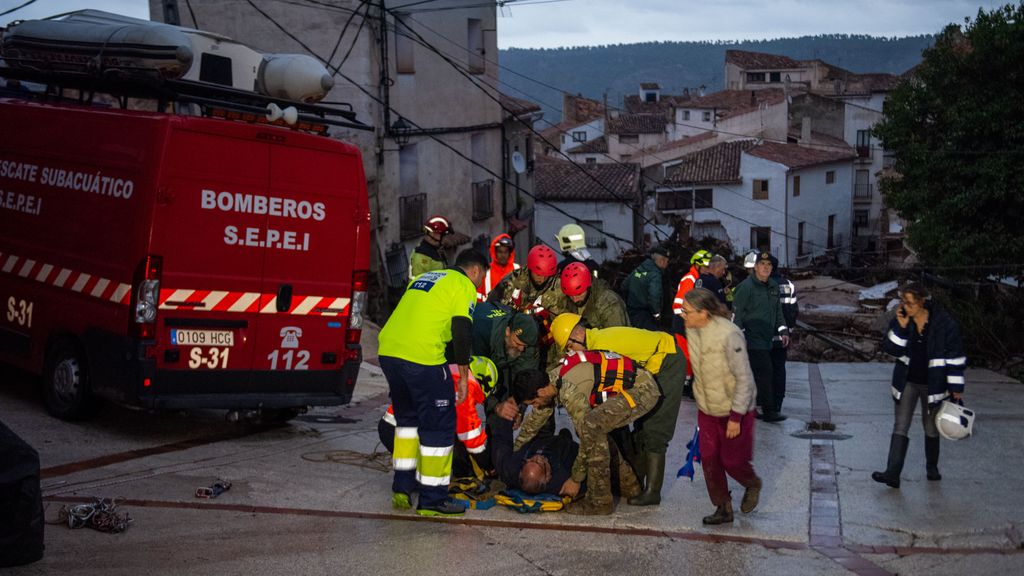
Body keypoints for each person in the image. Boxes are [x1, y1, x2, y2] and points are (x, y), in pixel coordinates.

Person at [377, 249, 487, 517]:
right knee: (439, 425)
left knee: (407, 423)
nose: (481, 282)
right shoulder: (463, 285)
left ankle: (402, 490)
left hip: (389, 352)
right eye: (482, 276)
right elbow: (462, 329)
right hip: (422, 357)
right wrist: (462, 375)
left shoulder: (426, 278)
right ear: (474, 271)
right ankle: (433, 499)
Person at [548, 313, 687, 506]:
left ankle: (653, 492)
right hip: (651, 368)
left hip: (668, 361)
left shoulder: (604, 344)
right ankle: (637, 481)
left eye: (571, 347)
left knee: (656, 428)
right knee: (641, 424)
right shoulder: (597, 342)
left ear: (578, 334)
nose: (571, 352)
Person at [515, 361, 660, 515]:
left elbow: (587, 439)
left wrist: (576, 479)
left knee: (591, 429)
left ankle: (599, 502)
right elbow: (535, 420)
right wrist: (515, 451)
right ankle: (630, 487)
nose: (535, 406)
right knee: (594, 428)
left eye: (533, 402)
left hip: (643, 391)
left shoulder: (571, 391)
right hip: (636, 386)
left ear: (542, 392)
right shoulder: (550, 381)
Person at [681, 288, 762, 525]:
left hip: (735, 410)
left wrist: (736, 417)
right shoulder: (692, 328)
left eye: (686, 311)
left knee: (732, 460)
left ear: (703, 312)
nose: (682, 315)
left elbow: (745, 379)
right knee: (709, 460)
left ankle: (752, 483)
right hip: (707, 407)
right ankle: (723, 507)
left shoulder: (730, 335)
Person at [873, 282, 966, 488]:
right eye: (903, 301)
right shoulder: (902, 321)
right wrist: (902, 327)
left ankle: (931, 468)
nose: (905, 306)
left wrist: (956, 389)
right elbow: (891, 349)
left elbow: (955, 359)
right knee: (900, 425)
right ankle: (892, 473)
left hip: (933, 386)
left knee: (930, 427)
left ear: (922, 302)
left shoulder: (944, 324)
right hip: (907, 382)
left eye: (909, 302)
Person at [378, 358, 493, 477]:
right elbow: (472, 437)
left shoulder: (446, 374)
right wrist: (488, 464)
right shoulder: (464, 388)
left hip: (392, 427)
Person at [490, 370, 579, 494]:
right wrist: (577, 481)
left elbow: (501, 441)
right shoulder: (560, 480)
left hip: (539, 439)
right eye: (539, 463)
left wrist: (510, 413)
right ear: (547, 477)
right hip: (567, 446)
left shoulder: (510, 469)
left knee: (533, 423)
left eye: (530, 461)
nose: (537, 458)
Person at [732, 251, 790, 423]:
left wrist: (783, 330)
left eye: (769, 265)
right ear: (755, 267)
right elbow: (737, 314)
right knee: (766, 373)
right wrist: (739, 336)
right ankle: (769, 411)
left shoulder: (772, 286)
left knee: (756, 375)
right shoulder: (746, 287)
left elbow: (778, 311)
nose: (766, 268)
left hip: (767, 338)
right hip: (752, 337)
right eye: (762, 265)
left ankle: (749, 408)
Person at [487, 244, 564, 315]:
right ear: (530, 269)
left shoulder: (558, 285)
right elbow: (490, 308)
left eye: (546, 275)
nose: (542, 279)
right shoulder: (512, 280)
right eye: (538, 274)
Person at [767, 254, 798, 415]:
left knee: (765, 370)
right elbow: (793, 310)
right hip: (783, 337)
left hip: (765, 337)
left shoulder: (764, 284)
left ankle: (767, 404)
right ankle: (778, 403)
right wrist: (789, 330)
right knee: (779, 369)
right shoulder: (789, 285)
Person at [559, 262, 629, 330]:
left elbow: (616, 337)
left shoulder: (609, 303)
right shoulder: (568, 301)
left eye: (579, 294)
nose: (575, 300)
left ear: (588, 287)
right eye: (571, 296)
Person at [622, 245, 669, 330]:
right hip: (645, 314)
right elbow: (654, 295)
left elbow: (624, 285)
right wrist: (656, 314)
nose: (667, 264)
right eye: (667, 261)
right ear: (662, 261)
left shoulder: (639, 269)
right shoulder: (655, 274)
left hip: (631, 312)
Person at [671, 249, 712, 334]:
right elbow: (678, 303)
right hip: (682, 322)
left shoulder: (699, 279)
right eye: (705, 267)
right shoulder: (690, 279)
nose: (708, 270)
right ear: (697, 266)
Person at [477, 234, 520, 302]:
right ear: (495, 252)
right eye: (500, 252)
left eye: (506, 252)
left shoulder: (517, 269)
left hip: (512, 311)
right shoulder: (485, 270)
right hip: (489, 310)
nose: (503, 255)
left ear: (510, 253)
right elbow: (478, 296)